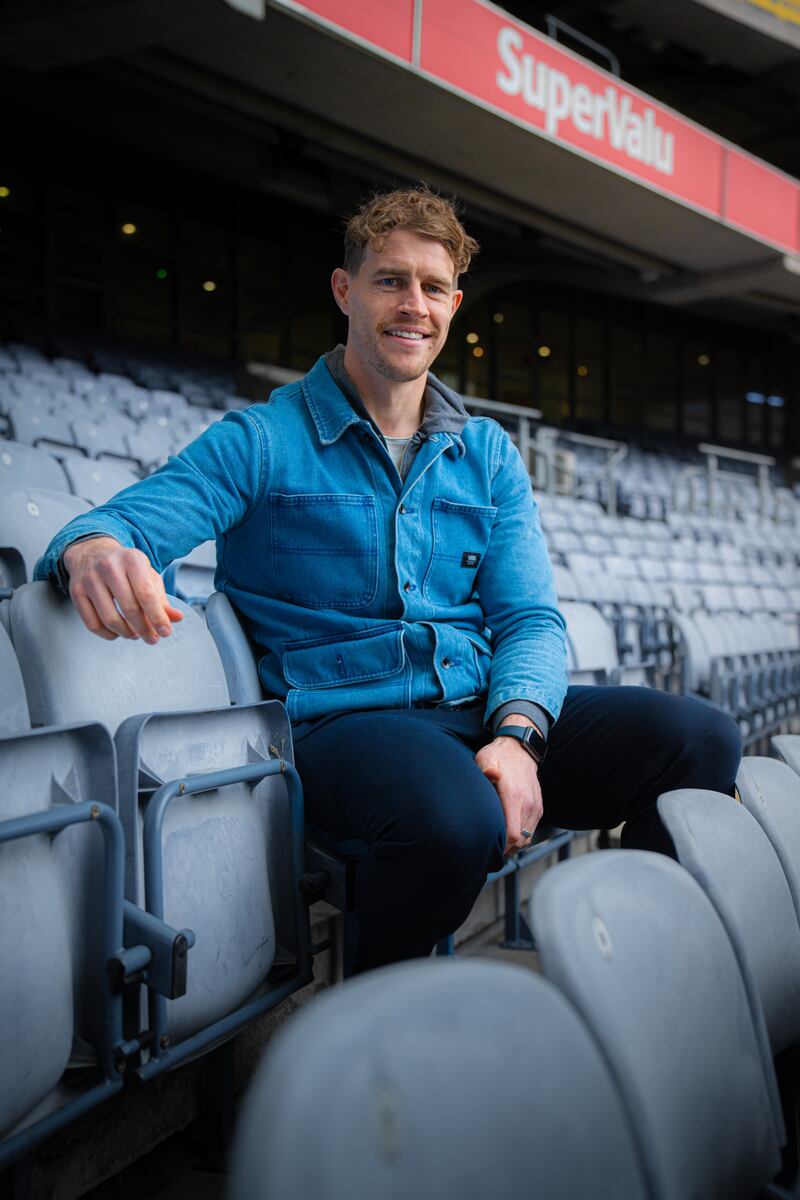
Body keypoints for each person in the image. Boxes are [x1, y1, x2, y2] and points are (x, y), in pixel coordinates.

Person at [36, 185, 741, 974]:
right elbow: (124, 521)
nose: (414, 305)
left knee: (700, 741)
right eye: (390, 280)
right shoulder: (264, 438)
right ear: (345, 290)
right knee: (453, 819)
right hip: (343, 724)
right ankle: (372, 1031)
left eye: (433, 287)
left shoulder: (488, 455)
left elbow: (530, 621)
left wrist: (517, 736)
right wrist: (93, 548)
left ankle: (649, 979)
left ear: (454, 304)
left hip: (474, 710)